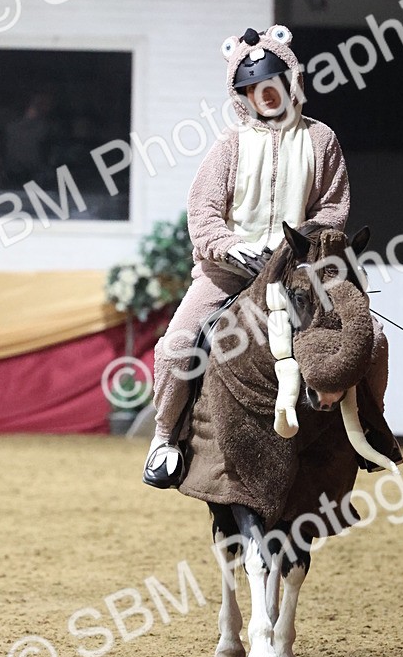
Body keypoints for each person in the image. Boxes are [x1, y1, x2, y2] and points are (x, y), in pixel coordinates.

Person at [142, 24, 388, 488]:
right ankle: (164, 439)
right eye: (252, 88)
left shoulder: (322, 141)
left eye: (271, 83)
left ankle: (373, 426)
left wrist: (300, 247)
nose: (264, 93)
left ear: (291, 81)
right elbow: (204, 214)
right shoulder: (229, 146)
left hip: (299, 272)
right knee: (176, 347)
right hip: (229, 275)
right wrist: (234, 247)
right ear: (243, 96)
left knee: (371, 337)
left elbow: (333, 210)